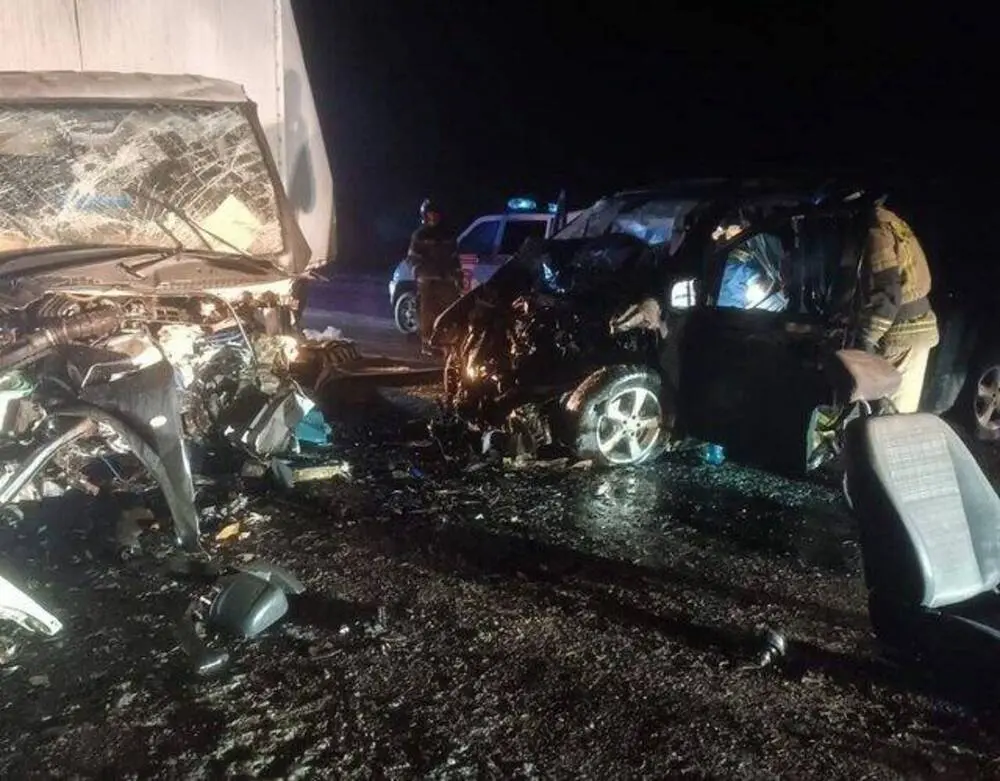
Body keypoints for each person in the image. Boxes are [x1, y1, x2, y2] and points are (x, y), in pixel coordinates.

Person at [855, 201, 938, 413]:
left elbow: (888, 292)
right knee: (899, 408)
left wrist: (868, 337)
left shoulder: (878, 235)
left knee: (892, 413)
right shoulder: (894, 224)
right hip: (915, 326)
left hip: (904, 332)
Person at [407, 198, 460, 354]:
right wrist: (421, 273)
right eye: (430, 214)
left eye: (436, 214)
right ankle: (427, 342)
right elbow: (412, 259)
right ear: (424, 216)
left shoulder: (448, 235)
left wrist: (457, 275)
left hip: (446, 281)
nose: (433, 217)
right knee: (427, 312)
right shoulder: (420, 235)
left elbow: (454, 258)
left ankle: (448, 343)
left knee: (449, 312)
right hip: (428, 281)